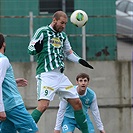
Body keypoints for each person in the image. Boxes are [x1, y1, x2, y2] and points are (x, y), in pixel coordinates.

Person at [28, 11, 93, 133]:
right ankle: (25, 129)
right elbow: (30, 49)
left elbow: (68, 52)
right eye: (61, 23)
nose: (63, 26)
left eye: (65, 24)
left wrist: (80, 60)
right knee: (43, 106)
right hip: (46, 74)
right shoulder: (42, 31)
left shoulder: (62, 36)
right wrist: (36, 48)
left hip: (60, 76)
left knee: (77, 103)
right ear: (54, 20)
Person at [0, 33, 39, 133]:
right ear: (3, 44)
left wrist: (13, 82)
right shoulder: (3, 60)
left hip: (7, 107)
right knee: (34, 131)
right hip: (13, 105)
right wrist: (1, 109)